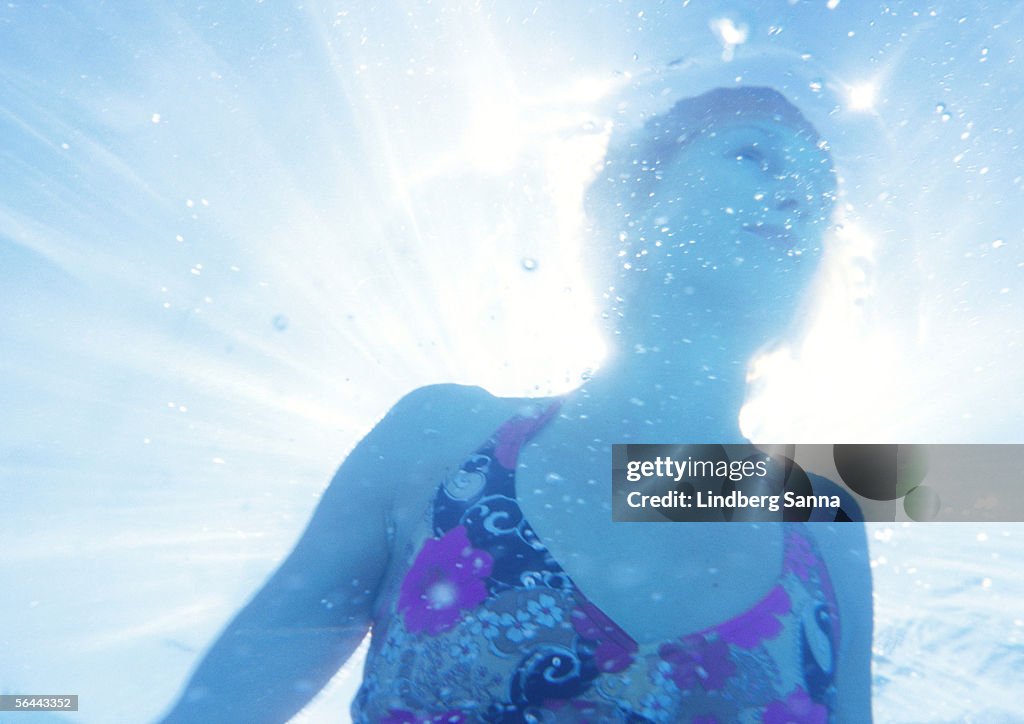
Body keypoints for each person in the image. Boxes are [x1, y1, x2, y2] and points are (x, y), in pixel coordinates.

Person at [161, 86, 873, 723]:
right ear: (636, 197)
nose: (798, 200)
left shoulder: (822, 518)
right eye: (755, 156)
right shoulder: (439, 438)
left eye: (821, 193)